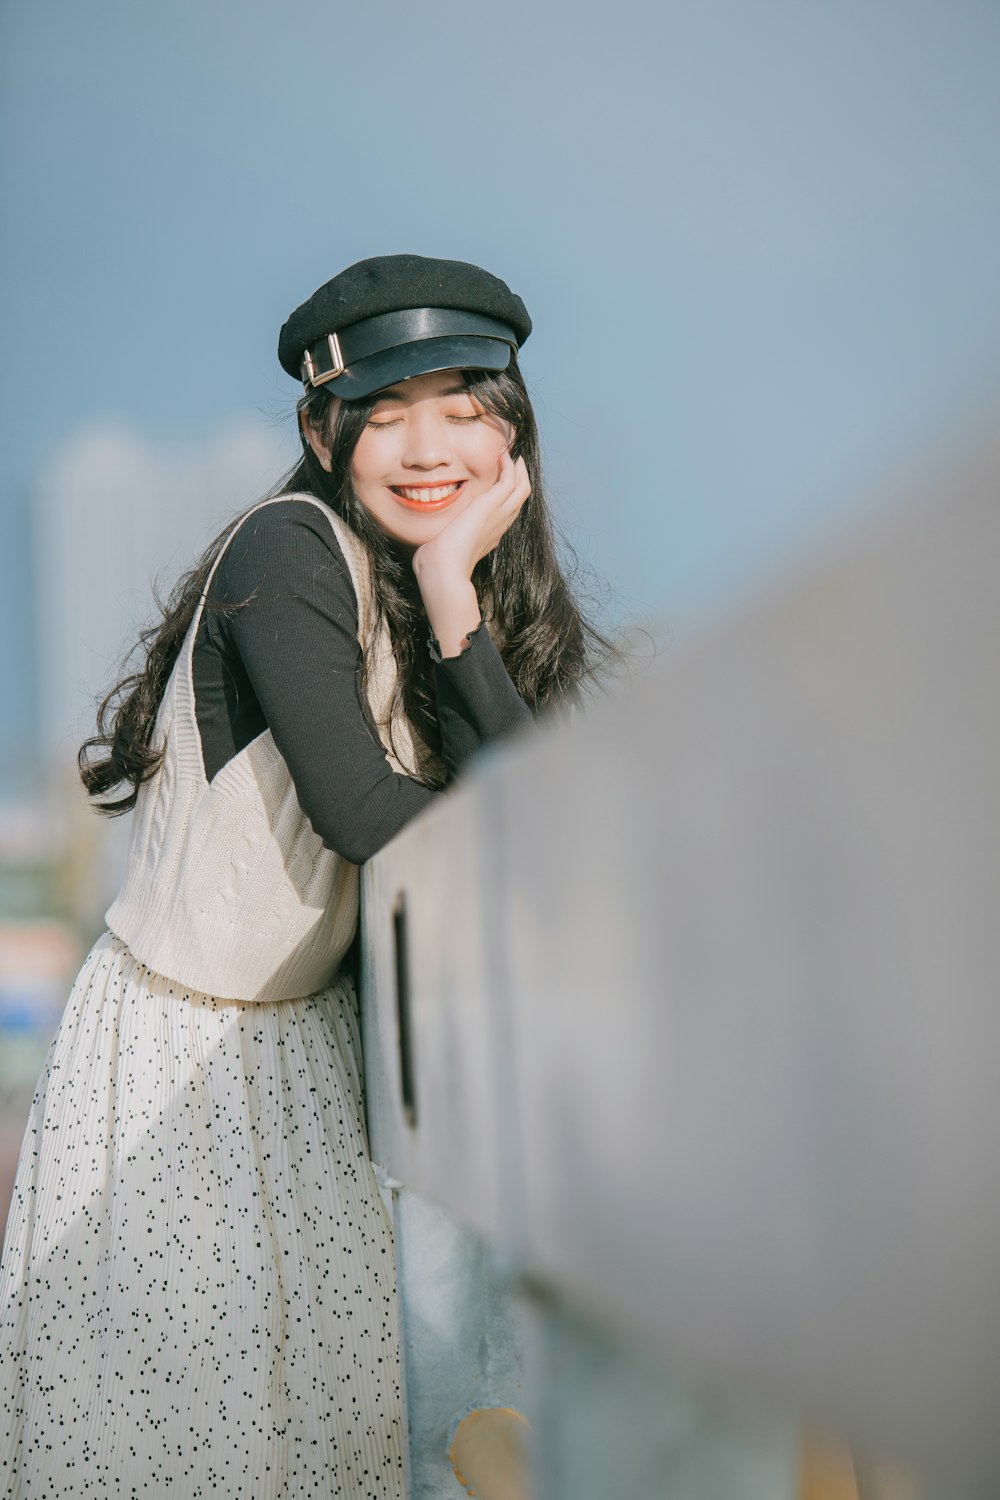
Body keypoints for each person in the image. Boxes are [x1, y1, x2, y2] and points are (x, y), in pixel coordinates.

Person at [0, 254, 613, 1497]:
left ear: (513, 433)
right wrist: (450, 587)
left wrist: (452, 605)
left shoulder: (415, 585)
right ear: (321, 430)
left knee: (316, 1450)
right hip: (185, 1069)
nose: (426, 444)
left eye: (461, 407)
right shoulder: (288, 553)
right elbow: (380, 823)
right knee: (191, 1453)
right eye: (385, 413)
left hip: (305, 1067)